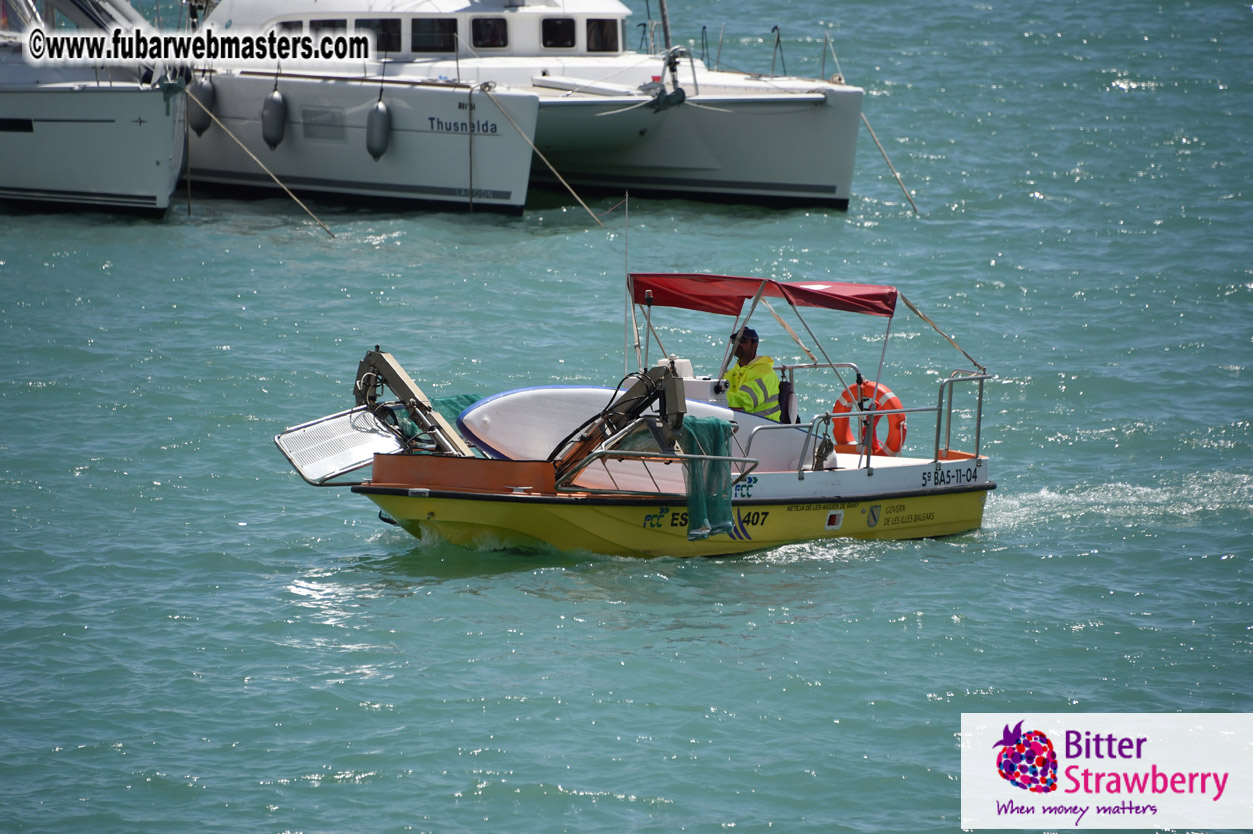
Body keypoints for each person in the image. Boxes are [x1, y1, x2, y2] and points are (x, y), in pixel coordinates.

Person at [721, 327, 781, 422]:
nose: (737, 344)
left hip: (765, 425)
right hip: (741, 422)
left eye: (743, 341)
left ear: (755, 345)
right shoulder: (732, 372)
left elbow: (745, 401)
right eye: (735, 341)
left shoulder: (764, 372)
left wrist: (716, 400)